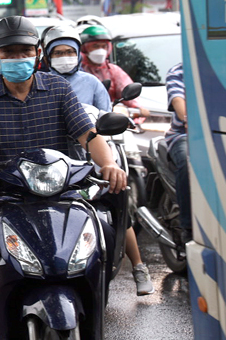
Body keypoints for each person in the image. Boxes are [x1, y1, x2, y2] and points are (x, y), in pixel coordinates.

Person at [0, 16, 127, 331]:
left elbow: (88, 134)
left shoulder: (58, 88)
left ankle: (96, 305)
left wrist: (108, 164)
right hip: (3, 194)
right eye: (9, 52)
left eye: (24, 51)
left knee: (104, 232)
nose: (17, 58)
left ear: (36, 54)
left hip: (62, 193)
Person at [42, 25, 154, 296]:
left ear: (79, 53)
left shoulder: (91, 83)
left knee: (116, 198)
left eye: (69, 51)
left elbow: (104, 119)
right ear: (46, 56)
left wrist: (107, 160)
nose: (64, 56)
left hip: (89, 159)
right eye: (57, 52)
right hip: (48, 165)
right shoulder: (38, 83)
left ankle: (139, 266)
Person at [79, 24, 149, 116]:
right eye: (95, 46)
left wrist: (138, 108)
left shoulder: (113, 70)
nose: (100, 50)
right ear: (84, 48)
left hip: (108, 119)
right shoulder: (77, 71)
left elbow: (125, 87)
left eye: (103, 46)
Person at [165, 62, 191, 242]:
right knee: (189, 164)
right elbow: (178, 100)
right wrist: (189, 119)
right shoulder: (179, 71)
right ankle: (188, 226)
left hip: (216, 135)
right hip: (183, 135)